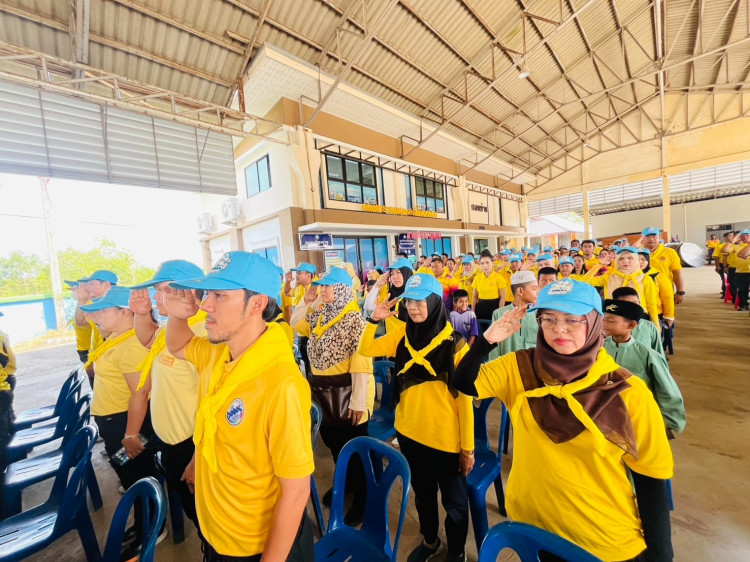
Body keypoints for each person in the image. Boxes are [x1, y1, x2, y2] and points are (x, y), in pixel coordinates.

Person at [452, 280, 674, 562]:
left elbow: (651, 479)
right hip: (533, 526)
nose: (559, 329)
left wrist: (660, 555)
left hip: (601, 541)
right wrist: (487, 341)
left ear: (595, 323)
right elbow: (464, 382)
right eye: (549, 319)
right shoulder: (520, 368)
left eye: (572, 319)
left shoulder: (626, 392)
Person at [164, 251, 314, 561]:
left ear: (257, 304)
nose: (205, 305)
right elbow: (178, 345)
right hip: (218, 531)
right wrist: (177, 315)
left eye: (219, 295)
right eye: (207, 294)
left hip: (254, 545)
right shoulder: (219, 353)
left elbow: (296, 493)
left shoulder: (281, 385)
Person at [359, 274, 474, 562]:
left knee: (455, 504)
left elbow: (466, 402)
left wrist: (468, 448)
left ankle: (457, 552)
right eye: (409, 301)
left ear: (435, 303)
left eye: (420, 301)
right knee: (423, 495)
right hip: (409, 434)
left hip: (445, 441)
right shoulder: (401, 336)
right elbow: (365, 349)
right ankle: (431, 541)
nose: (412, 307)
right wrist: (373, 320)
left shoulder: (456, 344)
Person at [126, 260, 206, 531]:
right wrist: (141, 314)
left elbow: (215, 402)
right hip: (171, 442)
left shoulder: (202, 333)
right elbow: (151, 340)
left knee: (205, 517)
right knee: (192, 509)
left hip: (191, 444)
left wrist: (199, 456)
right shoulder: (173, 328)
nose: (156, 297)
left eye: (163, 290)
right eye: (156, 291)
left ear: (189, 293)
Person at [80, 287, 159, 556]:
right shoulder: (116, 338)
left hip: (126, 425)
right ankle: (143, 522)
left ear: (125, 312)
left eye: (103, 311)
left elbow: (141, 393)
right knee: (129, 473)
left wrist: (131, 434)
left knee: (136, 474)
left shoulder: (131, 345)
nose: (97, 317)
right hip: (115, 424)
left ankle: (152, 528)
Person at [291, 267, 374, 527]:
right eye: (321, 286)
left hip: (348, 396)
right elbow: (296, 324)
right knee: (336, 446)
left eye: (327, 286)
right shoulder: (321, 314)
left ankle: (363, 499)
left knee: (355, 450)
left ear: (341, 290)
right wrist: (308, 302)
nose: (321, 290)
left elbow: (362, 364)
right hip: (323, 394)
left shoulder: (355, 321)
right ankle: (346, 483)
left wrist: (358, 403)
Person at [602, 299, 686, 434]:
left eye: (611, 321)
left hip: (636, 414)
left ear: (631, 325)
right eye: (603, 319)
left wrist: (668, 421)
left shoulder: (647, 355)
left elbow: (666, 389)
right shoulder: (599, 349)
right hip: (602, 413)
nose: (604, 324)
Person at [588, 247, 660, 329]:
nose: (625, 261)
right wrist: (600, 264)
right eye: (621, 258)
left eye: (630, 258)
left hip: (638, 319)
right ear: (616, 260)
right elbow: (585, 281)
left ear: (636, 259)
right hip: (614, 318)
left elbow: (651, 304)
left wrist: (656, 324)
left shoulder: (645, 279)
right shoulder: (609, 277)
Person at [72, 269, 118, 380]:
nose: (89, 288)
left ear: (106, 285)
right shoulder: (97, 304)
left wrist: (95, 361)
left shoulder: (115, 304)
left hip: (110, 361)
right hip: (98, 357)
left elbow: (112, 337)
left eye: (92, 284)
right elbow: (81, 322)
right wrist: (81, 300)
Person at [488, 271, 540, 361]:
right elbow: (494, 347)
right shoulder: (499, 314)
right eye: (534, 288)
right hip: (506, 366)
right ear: (520, 291)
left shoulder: (538, 314)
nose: (538, 292)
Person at [363, 257, 414, 334]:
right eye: (392, 274)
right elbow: (368, 307)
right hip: (390, 340)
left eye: (398, 272)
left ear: (407, 273)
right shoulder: (388, 294)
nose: (395, 277)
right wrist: (377, 285)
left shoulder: (415, 296)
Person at [284, 262, 317, 376]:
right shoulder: (299, 288)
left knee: (314, 366)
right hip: (301, 333)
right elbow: (287, 292)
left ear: (308, 274)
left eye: (299, 273)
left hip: (312, 334)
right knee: (306, 363)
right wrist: (288, 281)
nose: (297, 275)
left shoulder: (317, 288)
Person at [641, 227, 685, 304]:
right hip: (643, 291)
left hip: (665, 292)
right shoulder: (637, 253)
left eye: (654, 236)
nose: (651, 239)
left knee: (667, 311)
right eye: (647, 237)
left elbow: (677, 273)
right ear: (643, 239)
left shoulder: (670, 252)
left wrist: (679, 292)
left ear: (659, 237)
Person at [637, 249, 675, 329]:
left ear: (648, 260)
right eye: (637, 259)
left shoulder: (659, 276)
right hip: (639, 314)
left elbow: (667, 297)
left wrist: (669, 316)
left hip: (657, 314)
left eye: (643, 259)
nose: (640, 262)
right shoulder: (631, 277)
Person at [472, 252, 507, 321]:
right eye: (482, 263)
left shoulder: (499, 277)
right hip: (480, 307)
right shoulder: (477, 278)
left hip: (494, 307)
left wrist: (500, 313)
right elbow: (474, 297)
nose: (485, 266)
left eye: (487, 262)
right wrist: (472, 311)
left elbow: (503, 297)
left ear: (492, 263)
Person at [732, 229, 750, 310]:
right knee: (742, 290)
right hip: (742, 271)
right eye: (742, 235)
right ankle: (743, 305)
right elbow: (742, 255)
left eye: (747, 235)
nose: (744, 237)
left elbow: (742, 255)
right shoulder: (739, 246)